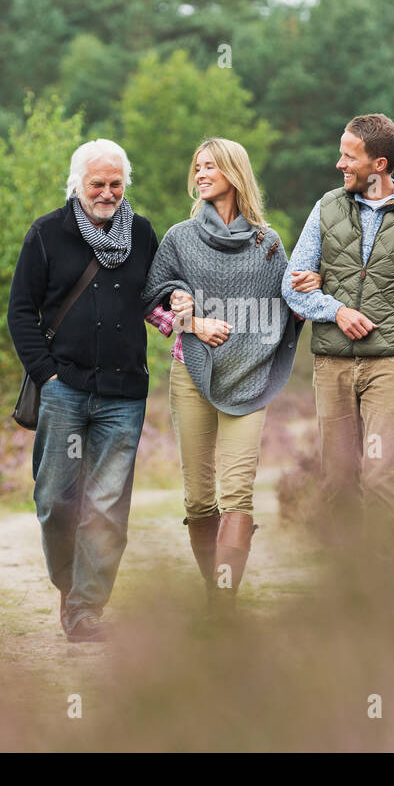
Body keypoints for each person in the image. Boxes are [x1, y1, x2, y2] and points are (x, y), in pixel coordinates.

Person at [142, 137, 322, 613]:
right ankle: (211, 588)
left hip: (250, 379)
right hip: (192, 374)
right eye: (196, 167)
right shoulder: (179, 237)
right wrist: (192, 321)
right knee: (200, 499)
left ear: (233, 173)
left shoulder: (267, 243)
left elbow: (288, 308)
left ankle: (223, 603)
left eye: (210, 167)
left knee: (237, 492)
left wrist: (308, 289)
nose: (200, 175)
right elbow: (151, 303)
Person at [7, 139, 159, 642]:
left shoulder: (142, 234)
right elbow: (21, 313)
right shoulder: (47, 234)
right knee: (56, 500)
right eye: (98, 183)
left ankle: (86, 611)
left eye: (116, 183)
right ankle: (70, 589)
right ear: (78, 184)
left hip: (124, 394)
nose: (108, 192)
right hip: (64, 389)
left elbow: (156, 297)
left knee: (107, 506)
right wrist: (46, 374)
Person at [281, 113, 394, 546]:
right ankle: (344, 588)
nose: (339, 163)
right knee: (338, 481)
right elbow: (292, 283)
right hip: (332, 365)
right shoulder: (325, 208)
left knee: (381, 478)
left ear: (379, 164)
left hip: (390, 365)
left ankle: (380, 593)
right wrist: (335, 310)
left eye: (348, 156)